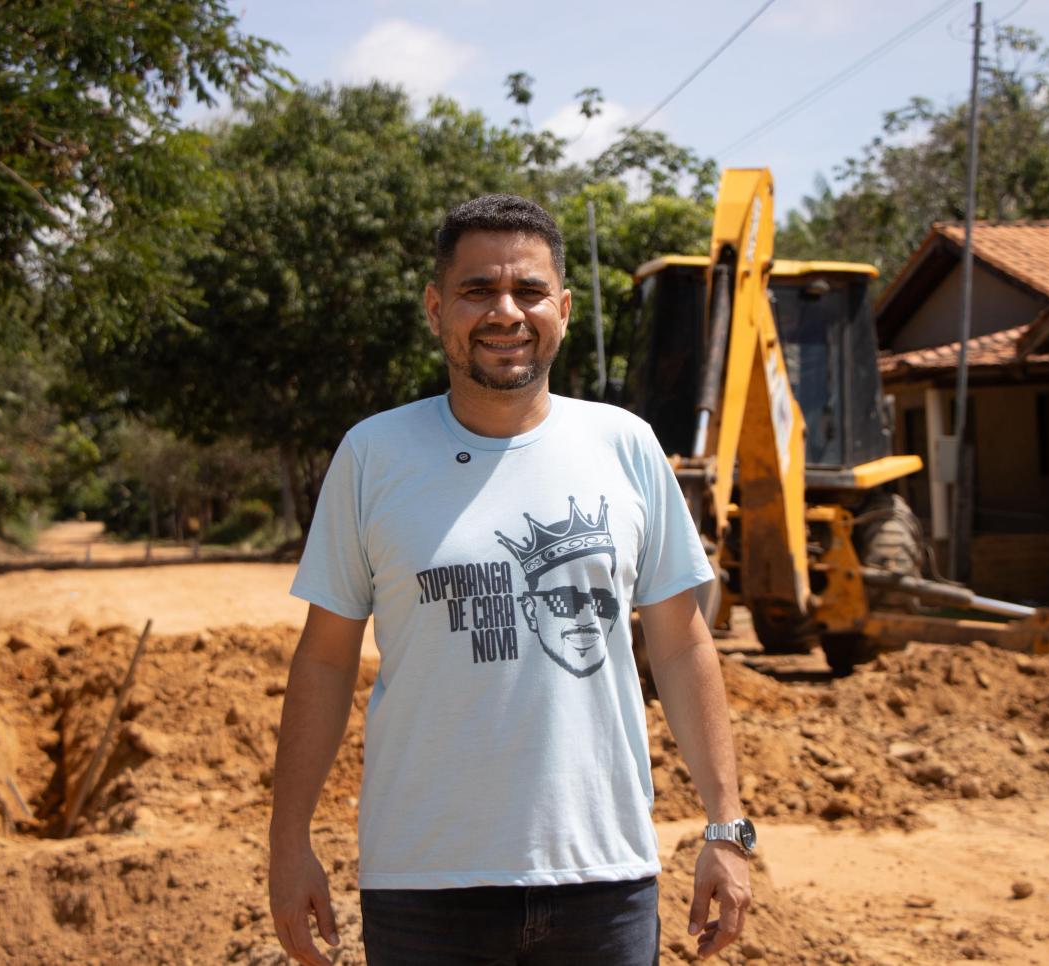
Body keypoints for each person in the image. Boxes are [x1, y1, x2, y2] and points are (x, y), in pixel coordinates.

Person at [268, 193, 752, 966]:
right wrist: (287, 843)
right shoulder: (373, 456)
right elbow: (324, 659)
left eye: (528, 291)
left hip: (604, 877)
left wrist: (726, 826)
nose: (505, 312)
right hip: (424, 885)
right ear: (436, 308)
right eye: (476, 291)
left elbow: (683, 644)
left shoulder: (626, 447)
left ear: (561, 307)